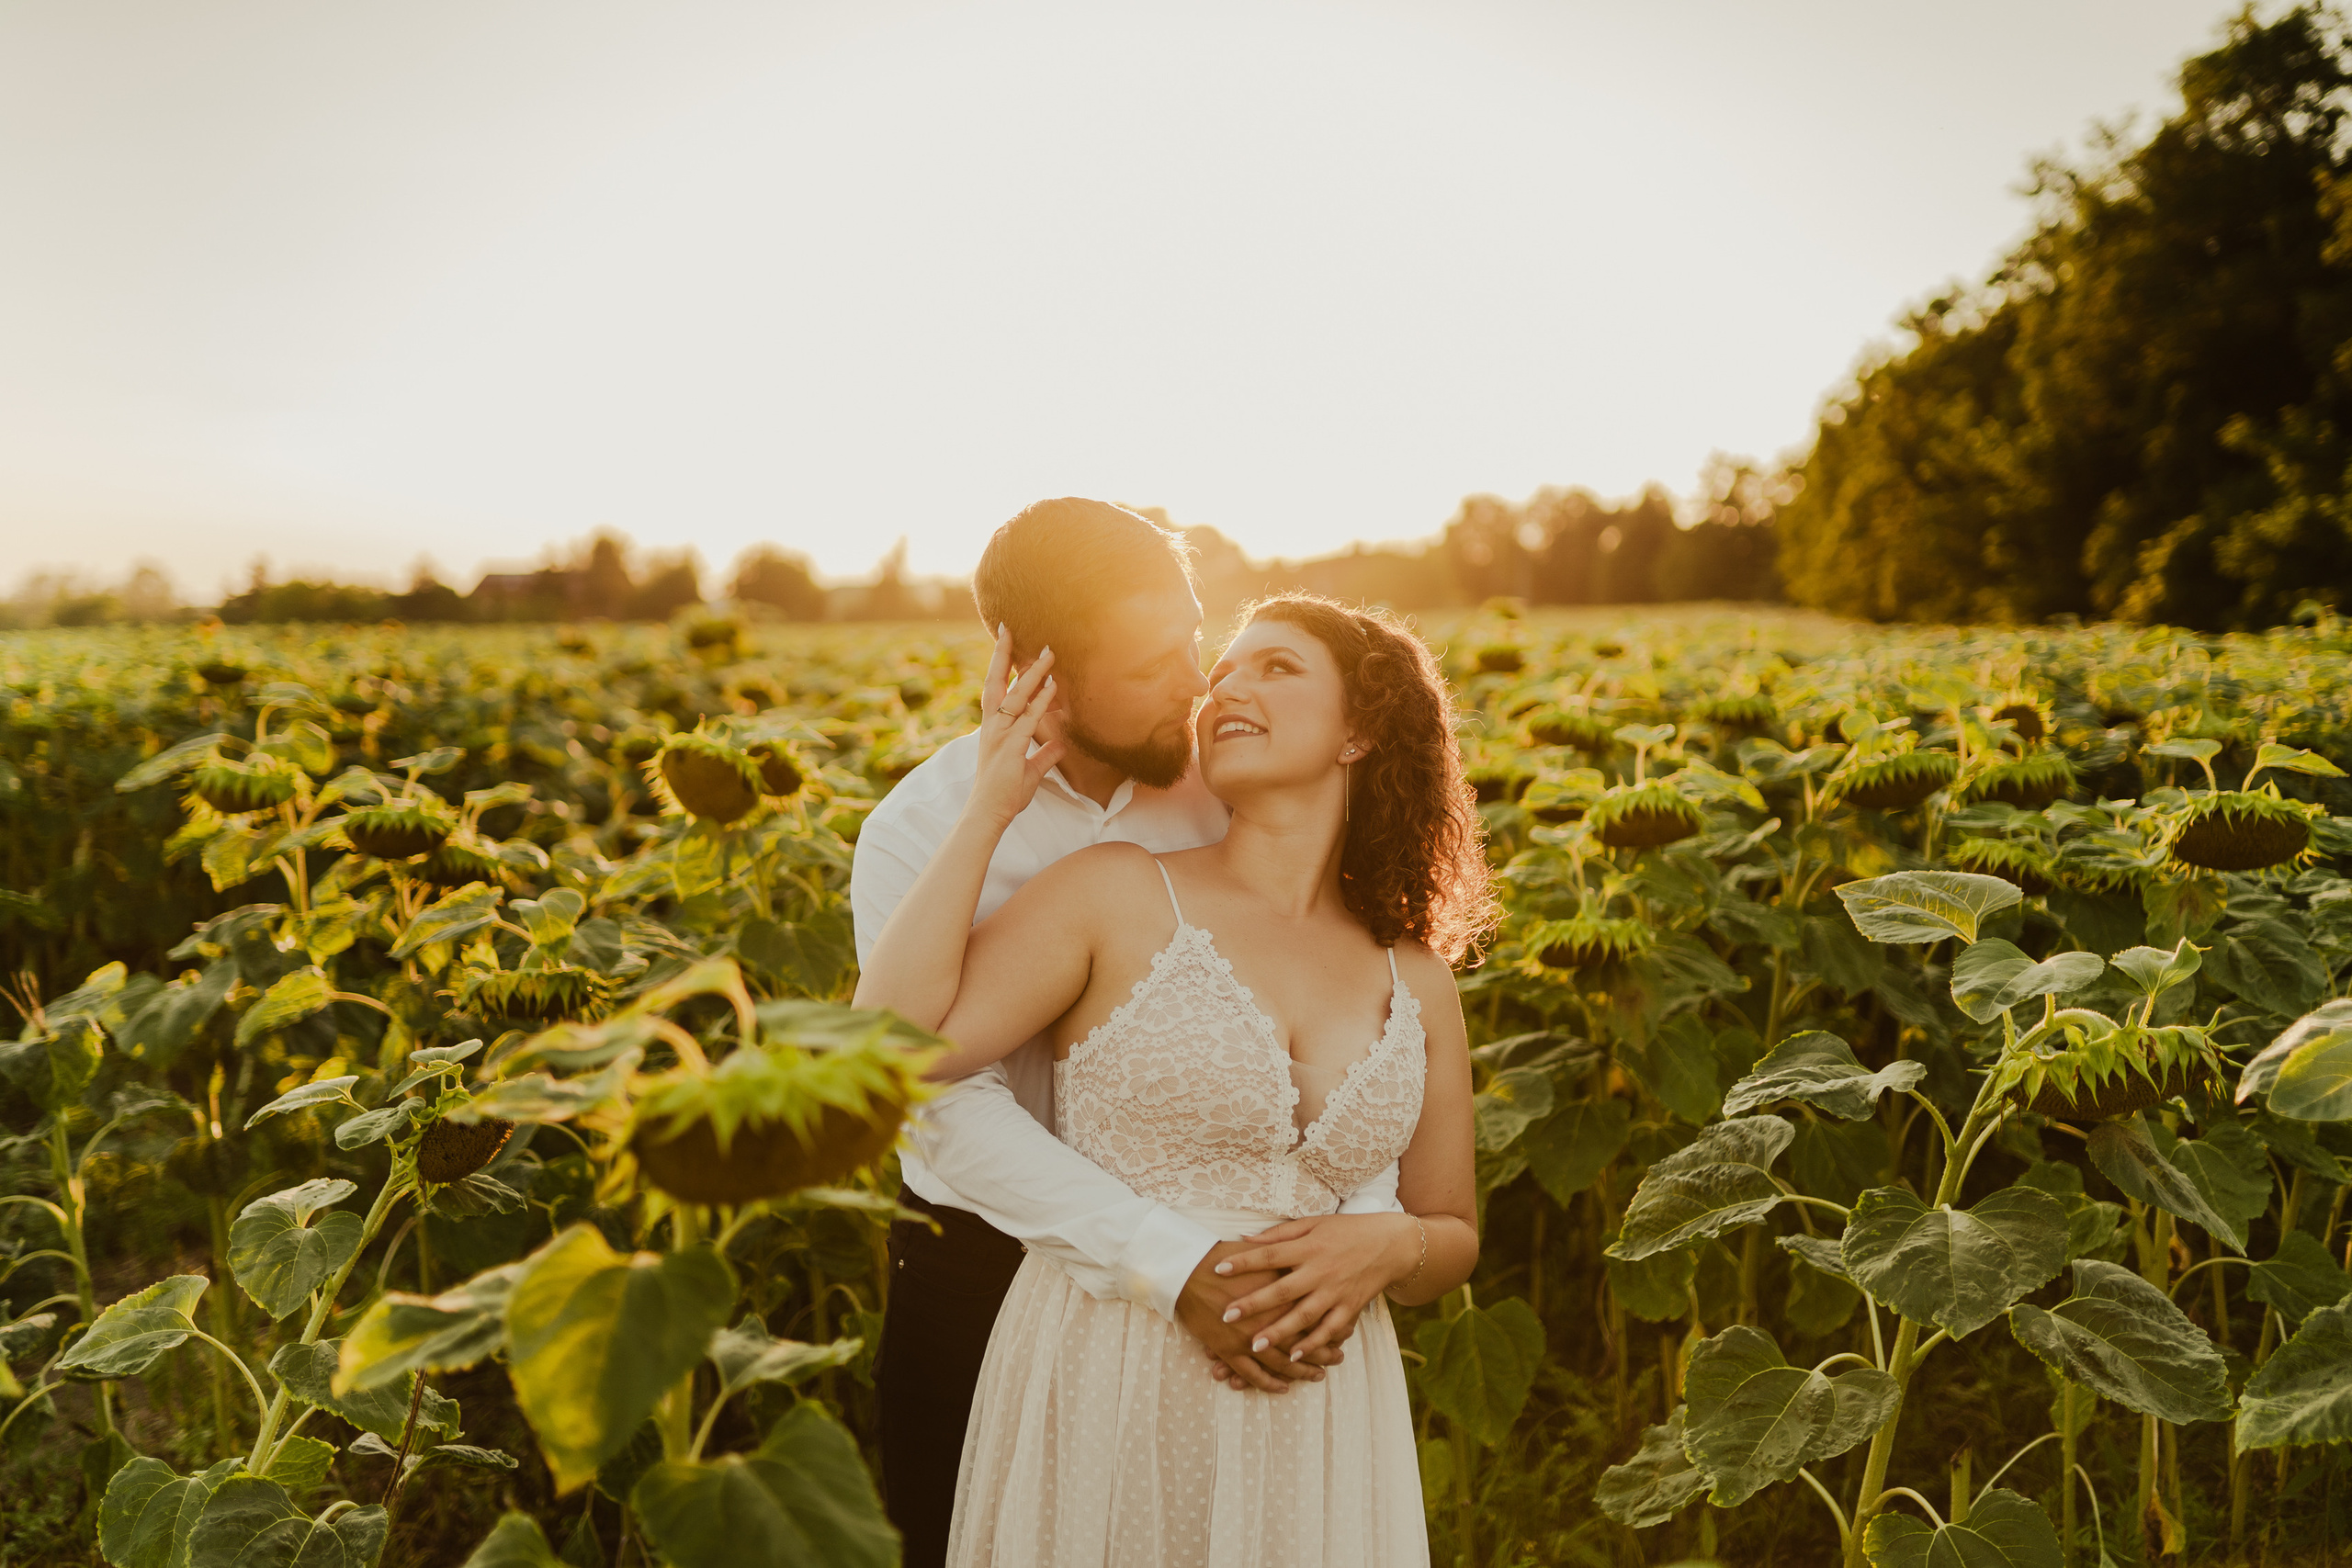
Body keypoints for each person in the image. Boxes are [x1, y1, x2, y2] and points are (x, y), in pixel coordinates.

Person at [856, 581, 1494, 1566]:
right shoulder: (1109, 892)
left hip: (1321, 1400)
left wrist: (1386, 1248)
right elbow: (892, 1058)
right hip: (1110, 1355)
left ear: (1361, 730)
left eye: (1275, 666)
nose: (1223, 683)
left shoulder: (1415, 975)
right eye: (1224, 668)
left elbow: (1450, 1230)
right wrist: (991, 801)